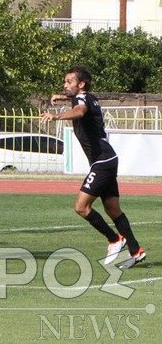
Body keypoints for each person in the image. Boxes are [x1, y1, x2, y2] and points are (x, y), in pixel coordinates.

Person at [41, 66, 146, 269]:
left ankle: (115, 239)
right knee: (112, 208)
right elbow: (78, 100)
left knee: (81, 207)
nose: (65, 85)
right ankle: (136, 251)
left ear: (81, 84)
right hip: (108, 158)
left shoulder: (81, 101)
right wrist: (61, 97)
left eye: (68, 82)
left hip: (102, 162)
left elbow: (80, 110)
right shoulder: (89, 96)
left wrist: (56, 116)